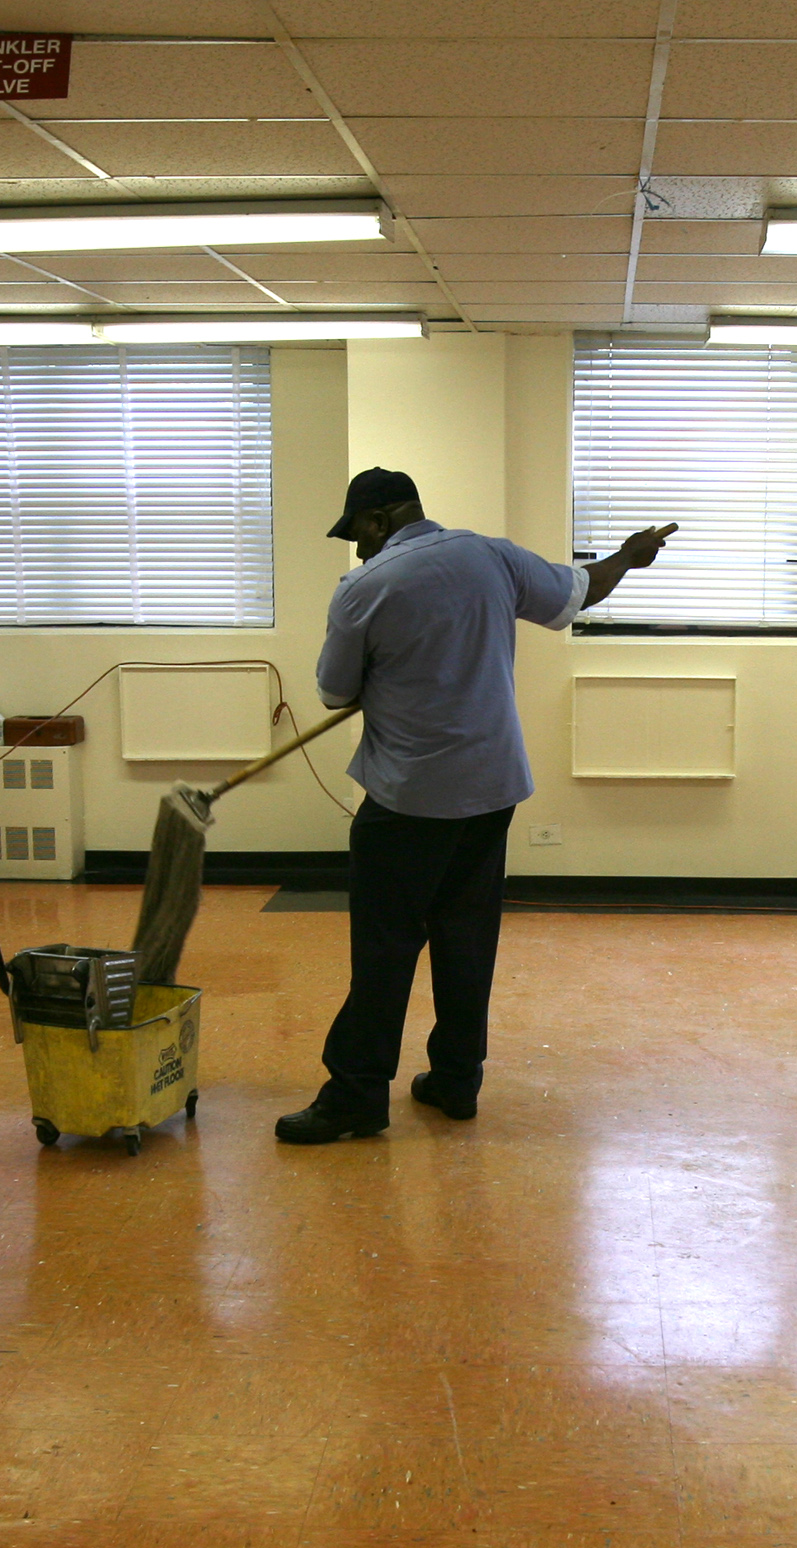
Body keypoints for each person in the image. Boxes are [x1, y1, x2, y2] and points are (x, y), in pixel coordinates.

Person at [275, 469, 675, 1144]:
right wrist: (630, 555)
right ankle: (456, 1082)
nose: (357, 551)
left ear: (377, 520)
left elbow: (333, 694)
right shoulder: (490, 555)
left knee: (385, 949)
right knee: (466, 938)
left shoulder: (363, 591)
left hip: (409, 802)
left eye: (357, 536)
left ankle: (356, 1096)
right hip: (491, 792)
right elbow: (583, 588)